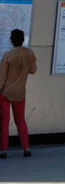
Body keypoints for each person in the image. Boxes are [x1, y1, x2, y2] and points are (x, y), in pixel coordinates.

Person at [0, 29, 37, 158]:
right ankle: (26, 148)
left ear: (11, 40)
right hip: (20, 93)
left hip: (5, 93)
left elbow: (2, 76)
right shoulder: (30, 54)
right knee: (20, 120)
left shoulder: (8, 55)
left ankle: (3, 150)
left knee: (4, 121)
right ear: (22, 40)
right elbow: (33, 70)